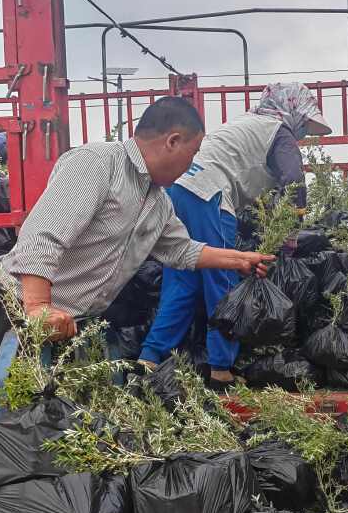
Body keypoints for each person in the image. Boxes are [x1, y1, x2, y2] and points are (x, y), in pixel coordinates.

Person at [0, 95, 273, 417]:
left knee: (56, 434)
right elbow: (43, 237)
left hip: (72, 326)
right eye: (192, 154)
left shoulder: (157, 202)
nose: (190, 165)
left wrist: (238, 260)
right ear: (173, 141)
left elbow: (181, 250)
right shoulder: (97, 164)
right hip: (18, 313)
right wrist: (39, 308)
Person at [138, 82, 332, 390]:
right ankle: (221, 368)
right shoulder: (278, 132)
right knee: (223, 280)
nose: (304, 133)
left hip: (178, 191)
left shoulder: (246, 123)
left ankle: (150, 356)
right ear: (292, 110)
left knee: (182, 278)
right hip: (209, 195)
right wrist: (290, 235)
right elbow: (293, 181)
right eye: (305, 124)